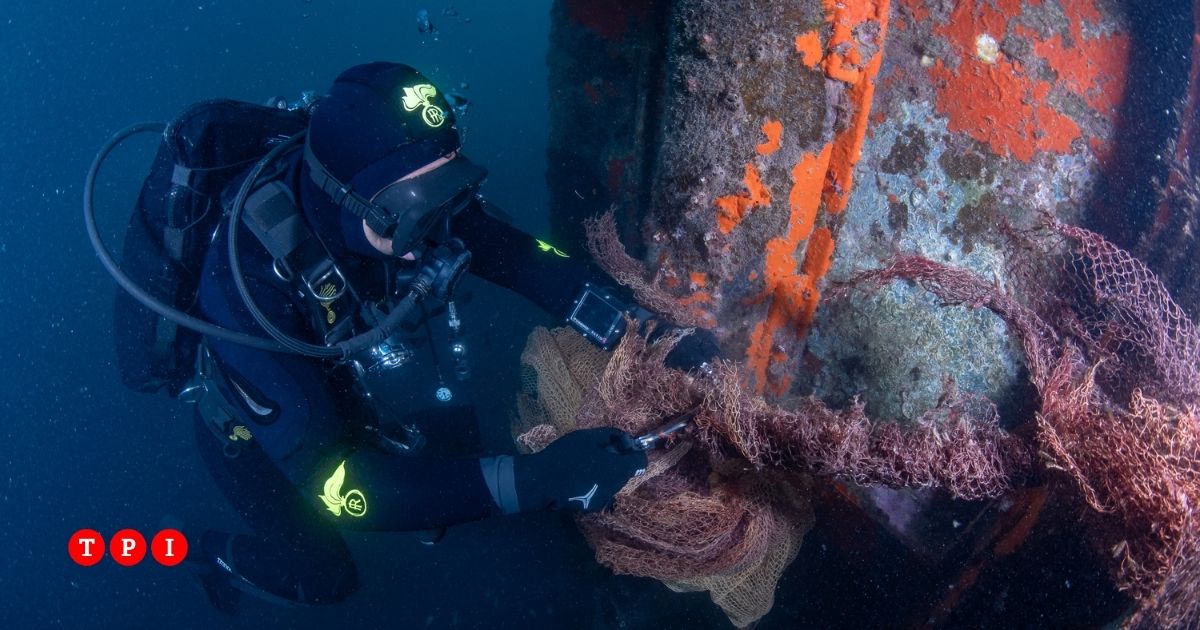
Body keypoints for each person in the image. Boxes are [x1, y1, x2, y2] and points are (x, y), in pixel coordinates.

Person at [178, 62, 720, 609]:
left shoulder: (406, 200)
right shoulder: (244, 298)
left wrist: (647, 333)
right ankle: (210, 554)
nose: (438, 234)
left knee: (452, 448)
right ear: (350, 201)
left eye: (449, 192)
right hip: (252, 433)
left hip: (338, 376)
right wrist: (534, 481)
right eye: (414, 215)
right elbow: (340, 489)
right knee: (325, 577)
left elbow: (524, 260)